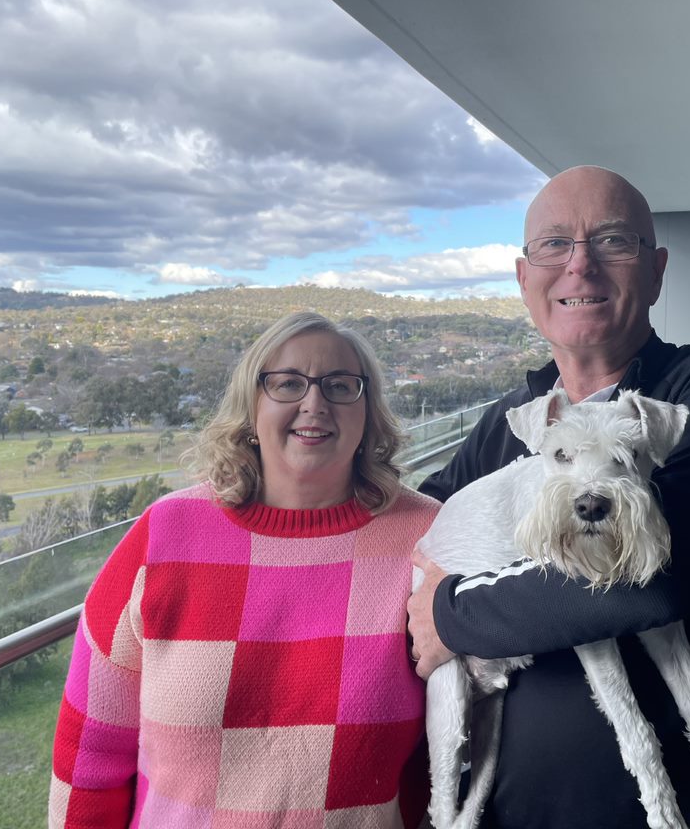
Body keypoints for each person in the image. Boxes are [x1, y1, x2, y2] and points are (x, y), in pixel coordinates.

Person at [407, 166, 690, 828]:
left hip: (679, 811)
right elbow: (412, 527)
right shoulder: (511, 420)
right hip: (510, 809)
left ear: (656, 269)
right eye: (553, 245)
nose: (578, 266)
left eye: (612, 241)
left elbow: (654, 580)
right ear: (524, 279)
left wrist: (445, 610)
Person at [50, 312, 440, 828]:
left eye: (341, 385)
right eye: (287, 384)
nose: (314, 403)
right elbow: (89, 751)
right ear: (250, 407)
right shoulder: (165, 536)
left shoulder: (427, 540)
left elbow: (458, 747)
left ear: (369, 412)